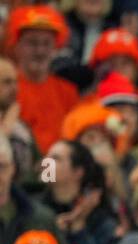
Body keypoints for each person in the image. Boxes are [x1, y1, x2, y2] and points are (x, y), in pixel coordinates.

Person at [12, 5, 80, 156]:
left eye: (46, 43)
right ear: (17, 46)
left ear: (55, 48)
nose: (40, 51)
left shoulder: (67, 92)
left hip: (55, 169)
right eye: (32, 43)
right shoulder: (7, 87)